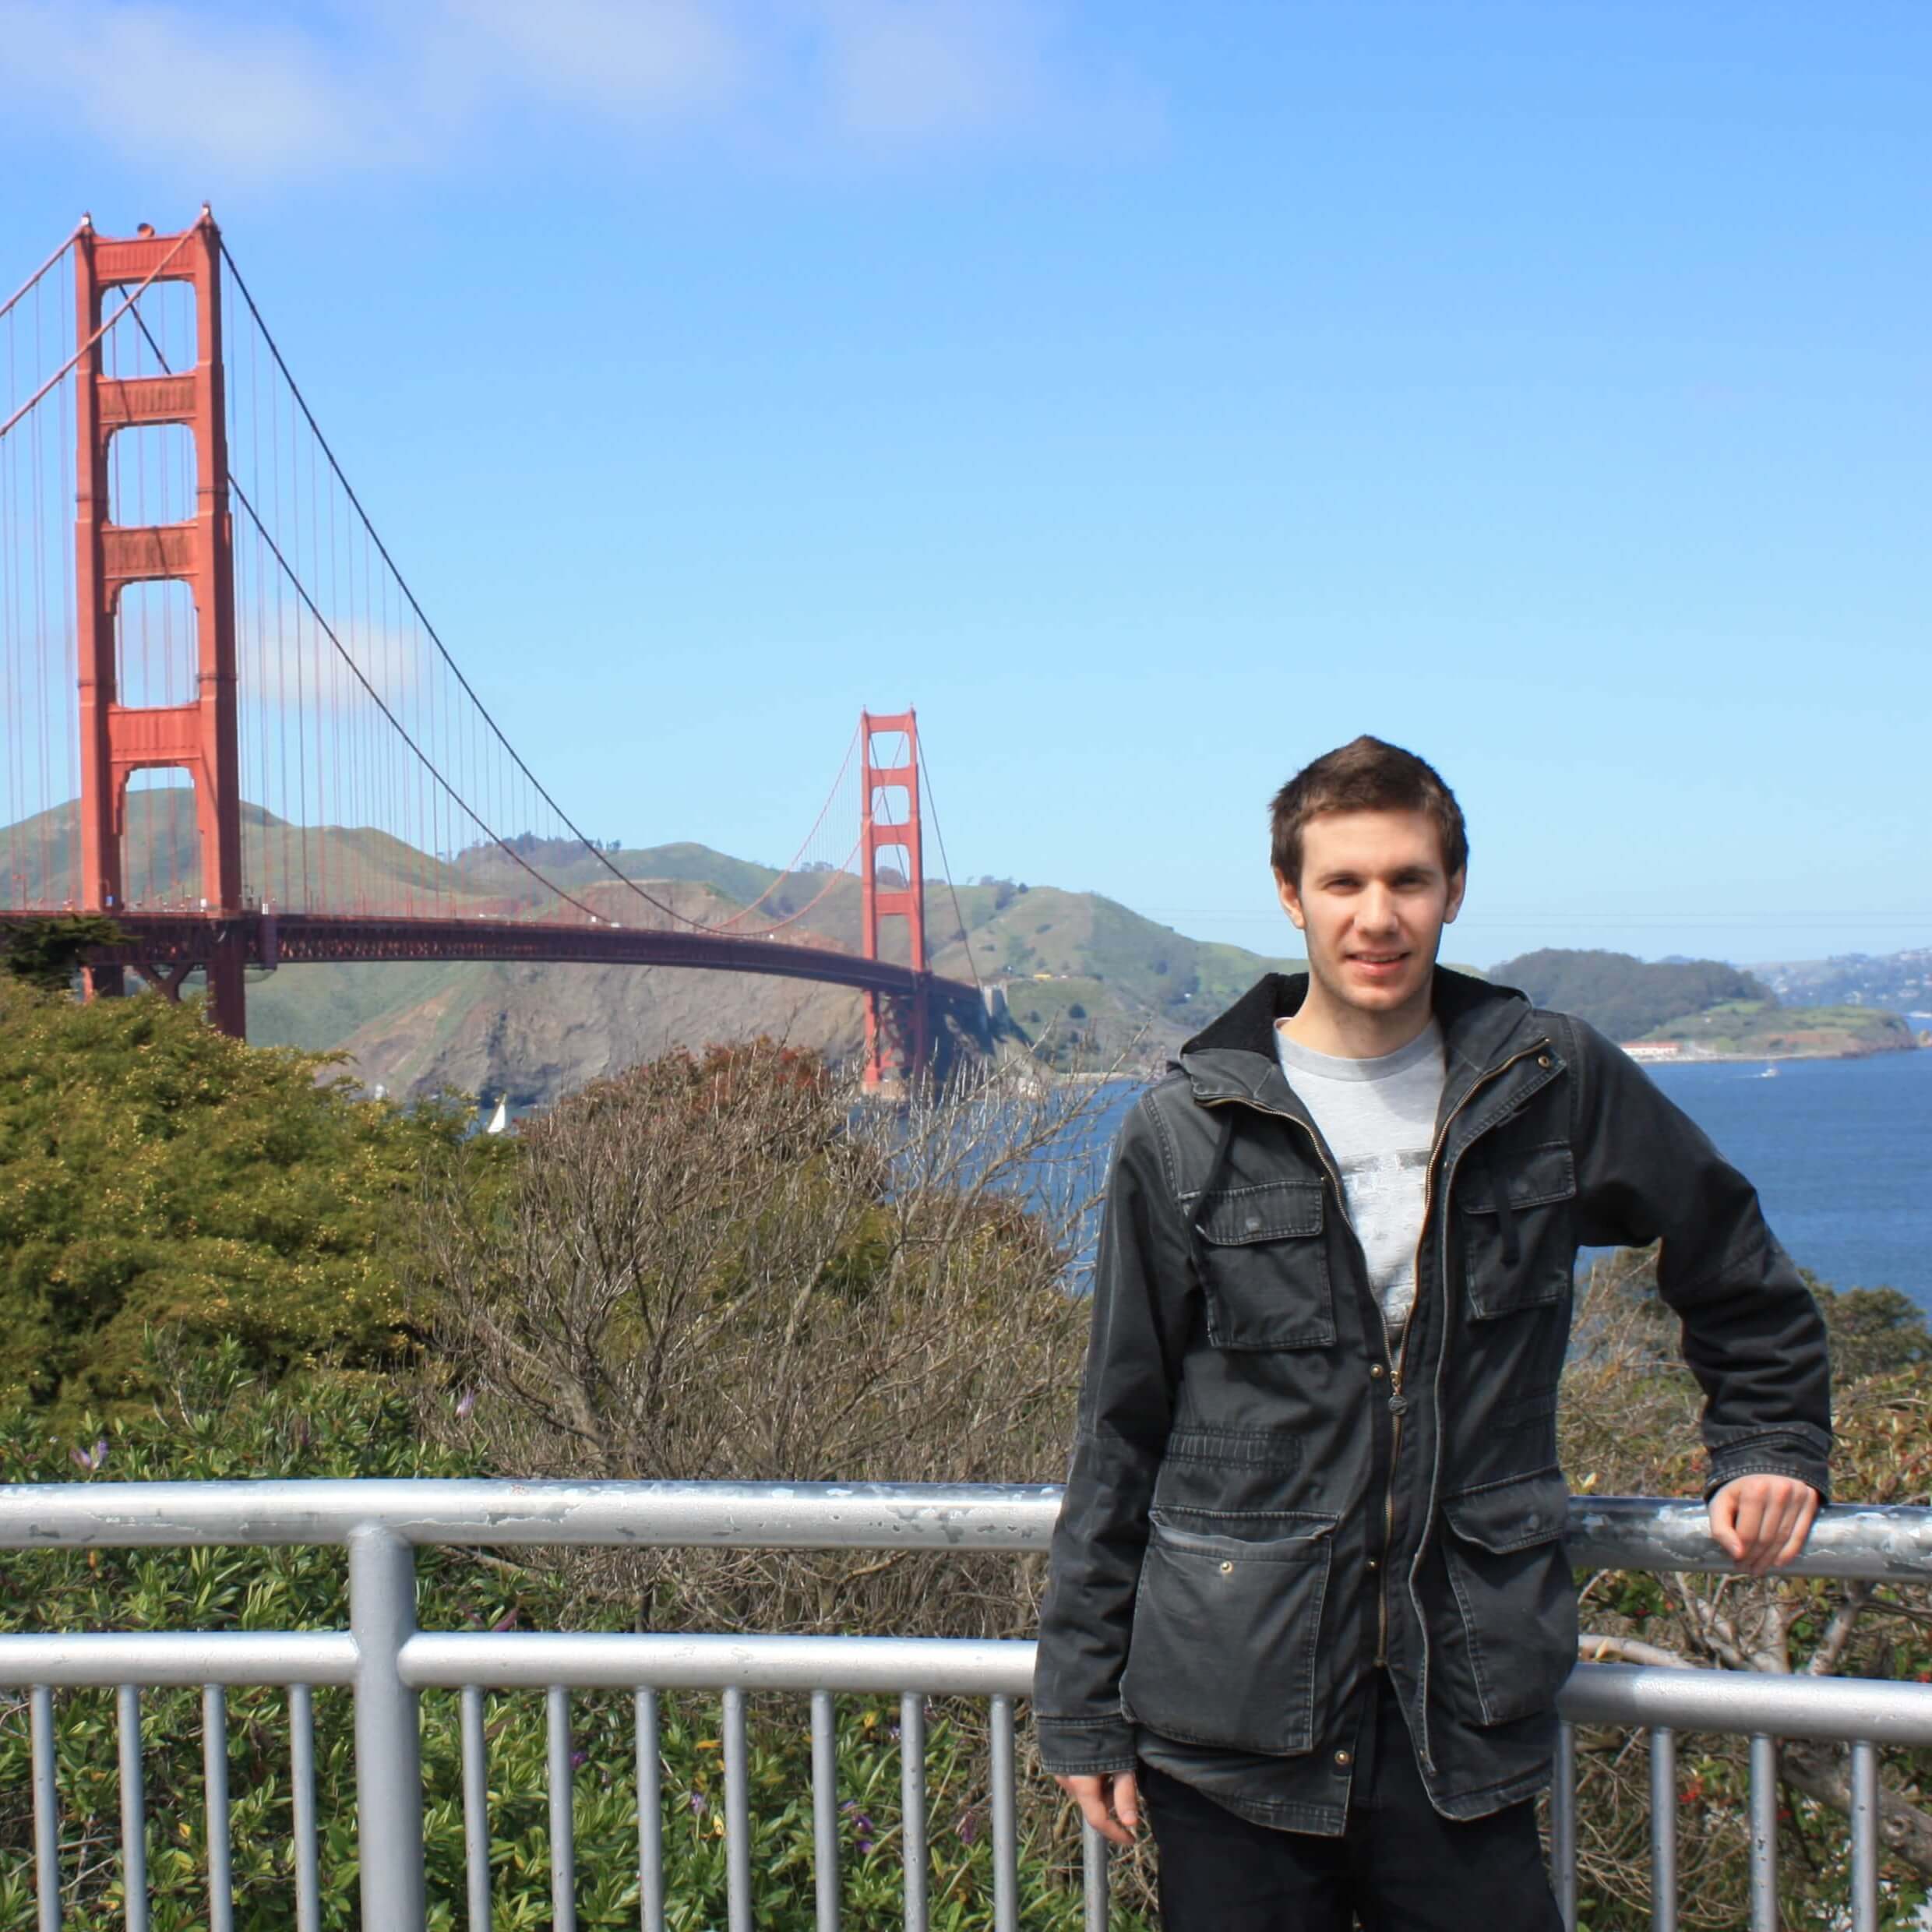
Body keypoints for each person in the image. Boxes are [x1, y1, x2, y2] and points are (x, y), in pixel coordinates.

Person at [1031, 736, 1830, 1931]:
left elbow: (1725, 1250)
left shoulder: (1551, 1079)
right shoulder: (1186, 1127)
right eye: (1344, 883)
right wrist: (1083, 1704)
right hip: (1233, 1717)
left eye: (1408, 880)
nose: (1378, 915)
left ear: (1453, 891)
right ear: (1290, 896)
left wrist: (1768, 1434)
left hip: (1462, 1708)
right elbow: (1121, 1427)